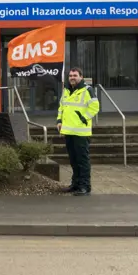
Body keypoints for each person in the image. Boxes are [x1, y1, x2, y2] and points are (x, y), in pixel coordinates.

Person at [56, 67, 100, 196]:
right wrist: (59, 120)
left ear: (81, 76)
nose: (72, 78)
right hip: (68, 131)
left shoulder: (87, 90)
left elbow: (95, 107)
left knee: (82, 161)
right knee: (73, 160)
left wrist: (83, 117)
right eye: (70, 76)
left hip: (81, 132)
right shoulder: (66, 91)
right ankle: (75, 184)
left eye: (75, 75)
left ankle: (85, 186)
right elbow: (61, 107)